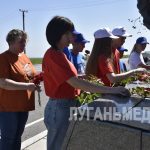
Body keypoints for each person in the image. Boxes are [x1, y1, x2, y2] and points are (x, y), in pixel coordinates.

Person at [42, 16, 130, 150]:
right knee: (58, 146)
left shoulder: (60, 54)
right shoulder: (54, 55)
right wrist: (112, 90)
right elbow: (75, 83)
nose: (72, 39)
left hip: (67, 104)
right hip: (60, 107)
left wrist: (82, 78)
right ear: (60, 34)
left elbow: (70, 79)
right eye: (70, 35)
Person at [0, 29, 40, 150]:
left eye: (25, 42)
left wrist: (39, 78)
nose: (24, 44)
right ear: (11, 42)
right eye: (21, 42)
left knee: (17, 137)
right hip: (9, 107)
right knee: (8, 138)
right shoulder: (3, 58)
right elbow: (3, 82)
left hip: (23, 105)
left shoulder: (24, 57)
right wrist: (27, 86)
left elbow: (29, 75)